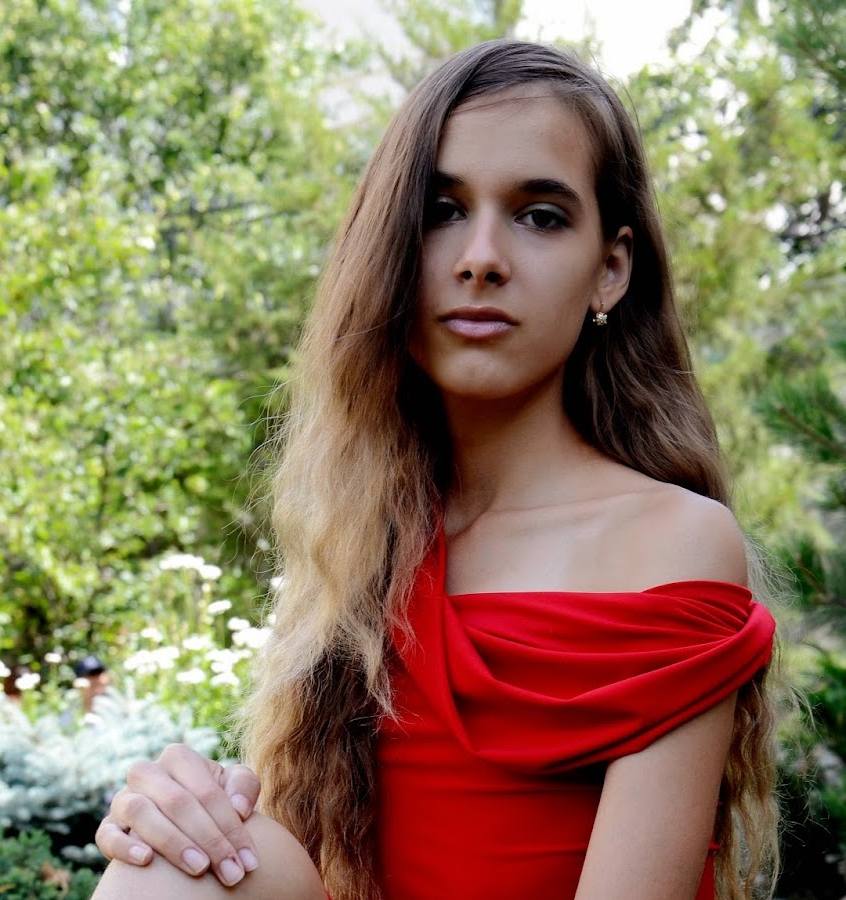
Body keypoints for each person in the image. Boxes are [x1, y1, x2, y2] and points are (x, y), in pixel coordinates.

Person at [92, 40, 780, 900]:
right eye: (441, 210)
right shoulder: (362, 538)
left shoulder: (673, 541)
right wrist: (183, 815)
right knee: (181, 862)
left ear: (610, 270)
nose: (480, 257)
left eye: (540, 215)